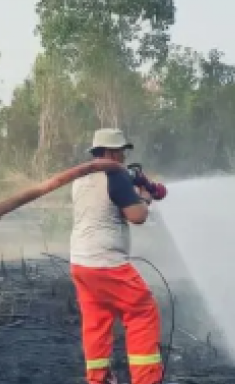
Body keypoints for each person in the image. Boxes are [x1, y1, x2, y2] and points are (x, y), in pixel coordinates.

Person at [70, 128, 164, 384]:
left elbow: (107, 208)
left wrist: (133, 190)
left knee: (96, 319)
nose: (123, 158)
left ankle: (98, 378)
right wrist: (144, 197)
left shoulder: (82, 178)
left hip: (81, 262)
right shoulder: (115, 175)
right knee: (143, 311)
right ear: (111, 152)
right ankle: (146, 379)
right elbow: (137, 216)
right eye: (121, 152)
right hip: (107, 263)